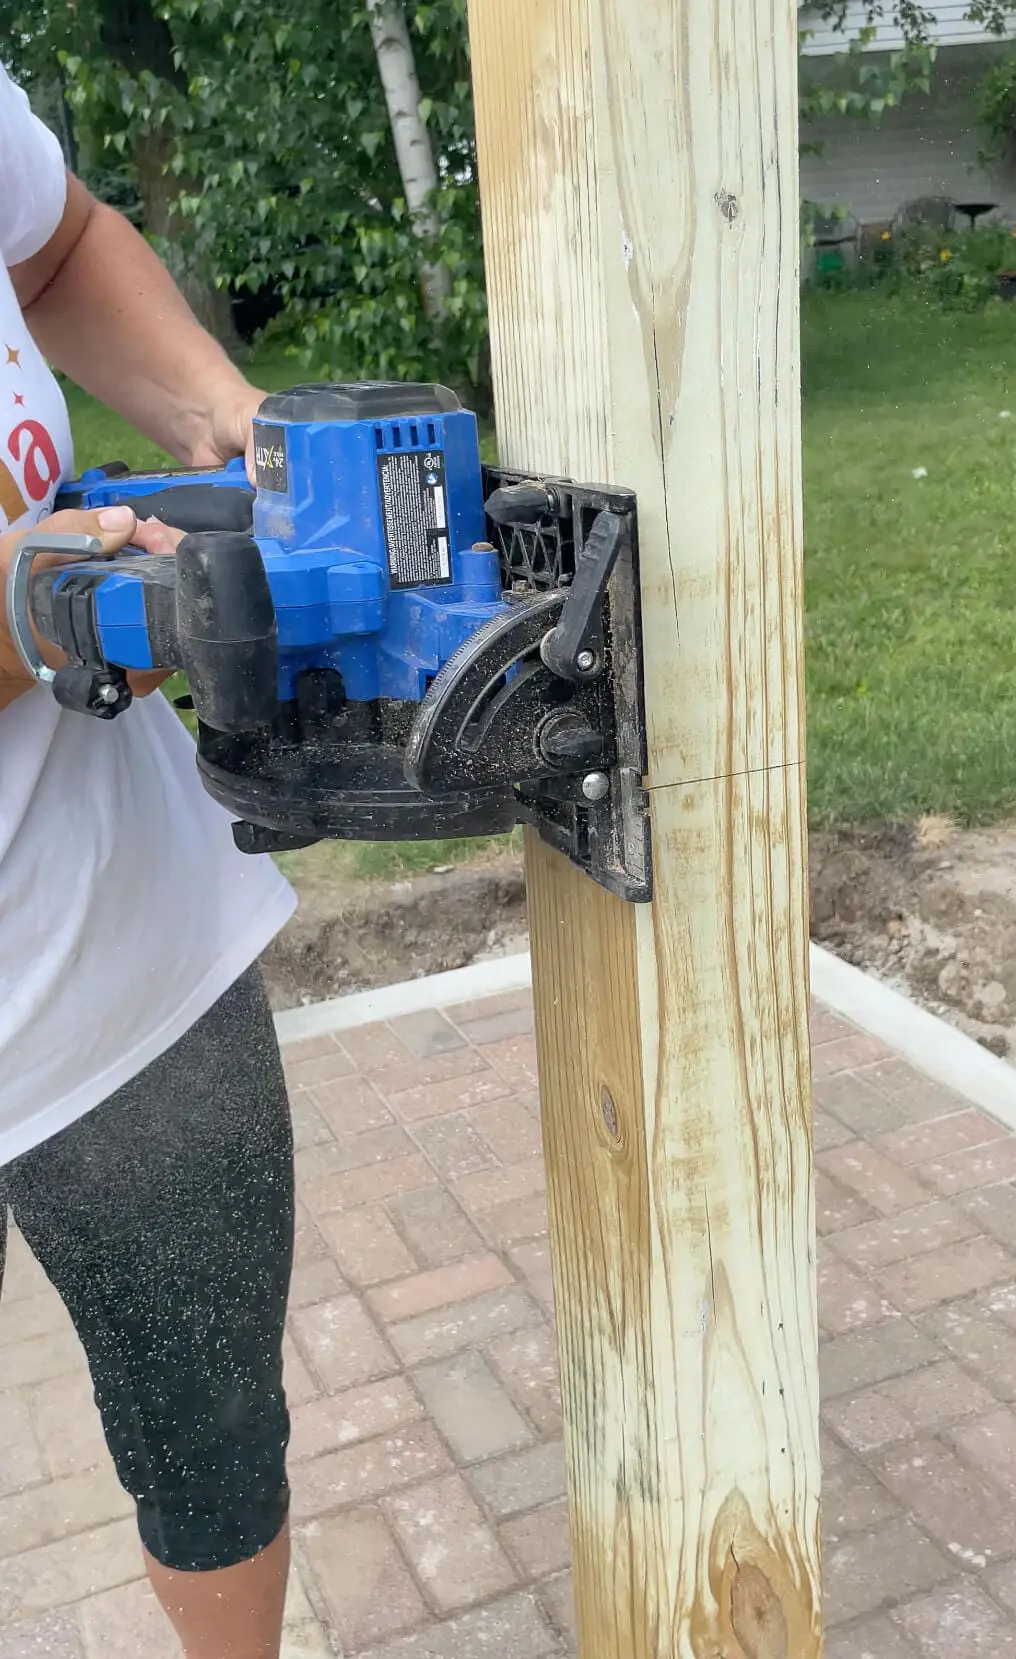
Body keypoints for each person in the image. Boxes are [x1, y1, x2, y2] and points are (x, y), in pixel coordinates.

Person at [0, 60, 300, 1659]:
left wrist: (239, 432)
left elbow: (52, 249)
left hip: (113, 941)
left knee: (212, 1440)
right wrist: (33, 603)